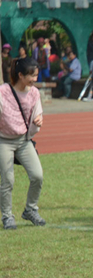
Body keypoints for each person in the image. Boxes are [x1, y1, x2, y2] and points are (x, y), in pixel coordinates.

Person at [0, 57, 45, 230]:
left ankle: (30, 210)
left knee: (37, 176)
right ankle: (7, 217)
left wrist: (39, 119)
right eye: (32, 76)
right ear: (20, 75)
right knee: (7, 179)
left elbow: (37, 113)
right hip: (4, 141)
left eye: (36, 75)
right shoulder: (3, 92)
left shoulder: (34, 93)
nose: (35, 79)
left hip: (23, 140)